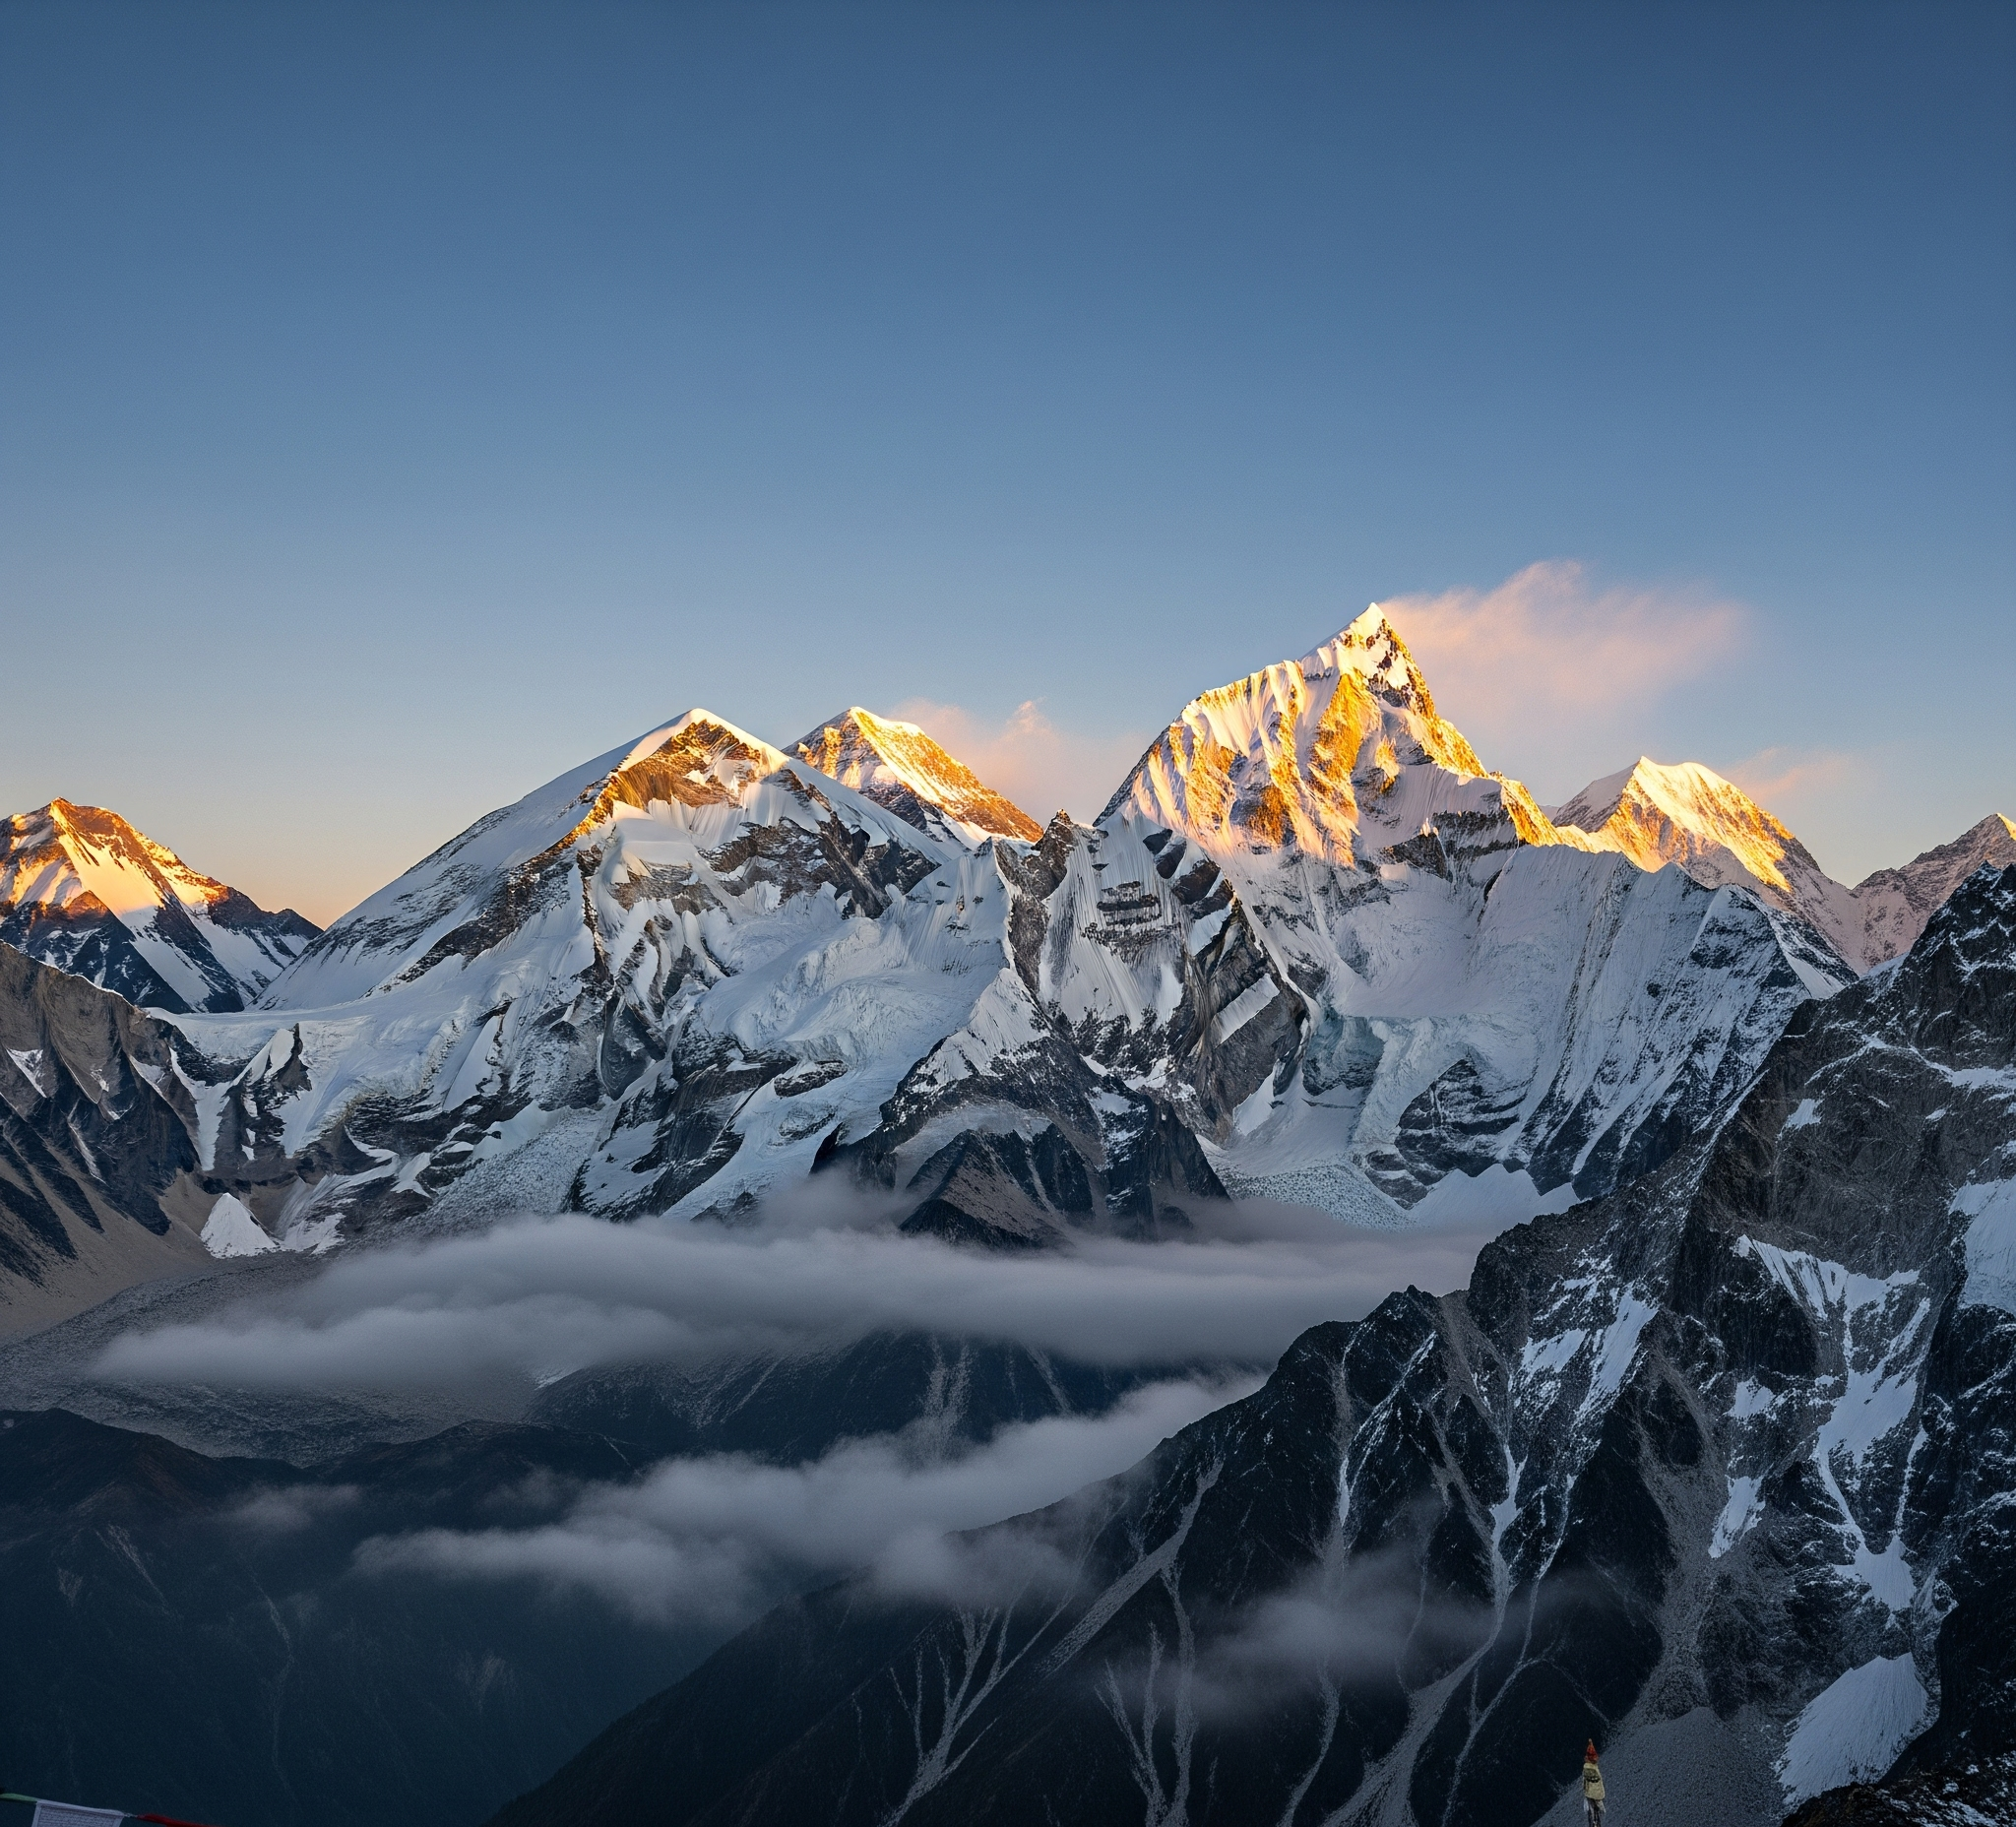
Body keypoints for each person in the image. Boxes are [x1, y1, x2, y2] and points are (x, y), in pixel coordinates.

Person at [1581, 1739, 1606, 1826]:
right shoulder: (1595, 1769)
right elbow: (1599, 1782)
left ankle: (1592, 1824)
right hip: (1597, 1794)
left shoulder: (1585, 1768)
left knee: (1590, 1813)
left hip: (1588, 1793)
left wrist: (1585, 1790)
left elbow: (1584, 1782)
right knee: (1597, 1811)